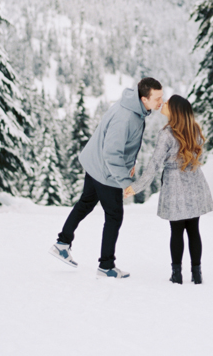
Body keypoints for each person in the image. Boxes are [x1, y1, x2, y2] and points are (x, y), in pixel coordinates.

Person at [50, 77, 164, 279]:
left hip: (95, 164)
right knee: (114, 215)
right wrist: (126, 184)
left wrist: (131, 163)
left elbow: (122, 144)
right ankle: (106, 265)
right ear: (144, 99)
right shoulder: (126, 117)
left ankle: (62, 243)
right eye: (157, 98)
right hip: (105, 171)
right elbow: (112, 154)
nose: (160, 102)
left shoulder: (133, 107)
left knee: (85, 203)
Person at [127, 94, 213, 284]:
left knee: (176, 231)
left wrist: (136, 187)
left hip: (175, 185)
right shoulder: (195, 130)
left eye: (167, 103)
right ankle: (197, 274)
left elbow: (154, 164)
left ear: (174, 110)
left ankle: (177, 274)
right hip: (195, 182)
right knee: (193, 230)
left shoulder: (166, 134)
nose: (163, 104)